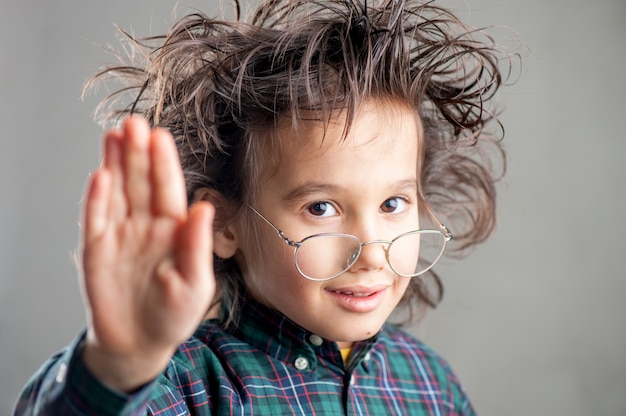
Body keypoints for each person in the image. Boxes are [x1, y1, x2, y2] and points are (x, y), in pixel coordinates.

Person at [14, 0, 515, 414]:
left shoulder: (430, 385)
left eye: (392, 203)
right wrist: (118, 364)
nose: (372, 253)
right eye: (321, 208)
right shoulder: (182, 386)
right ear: (221, 223)